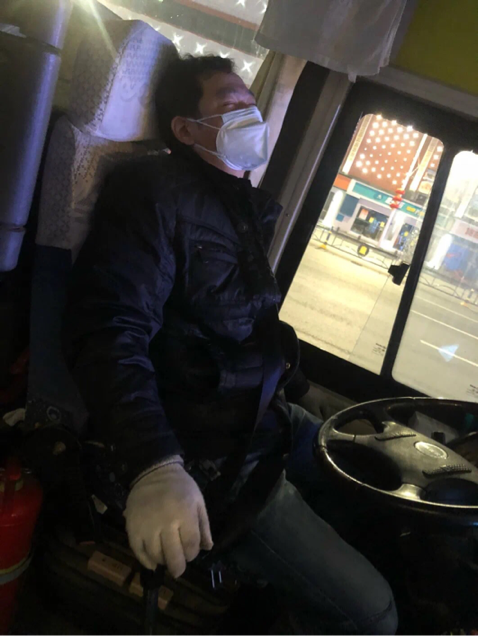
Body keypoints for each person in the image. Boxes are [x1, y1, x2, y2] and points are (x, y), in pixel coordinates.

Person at [63, 55, 397, 635]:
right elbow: (109, 329)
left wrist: (298, 387)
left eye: (251, 102)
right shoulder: (153, 194)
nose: (251, 113)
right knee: (377, 616)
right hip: (208, 449)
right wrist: (154, 464)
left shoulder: (238, 202)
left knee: (370, 482)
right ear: (186, 130)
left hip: (261, 418)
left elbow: (249, 321)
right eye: (230, 103)